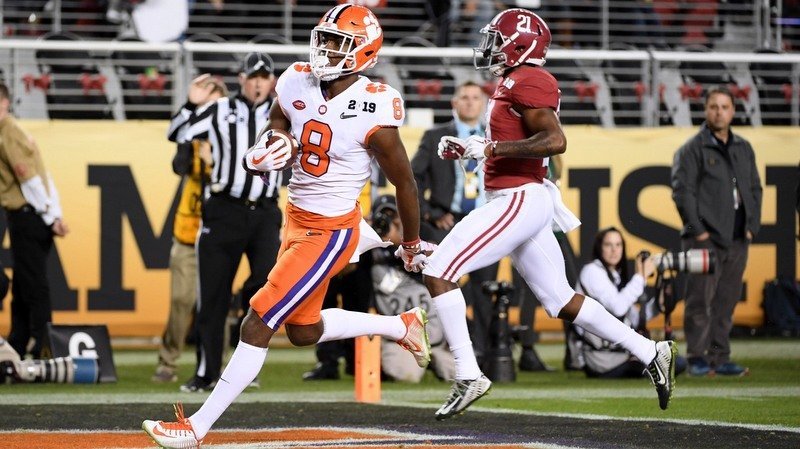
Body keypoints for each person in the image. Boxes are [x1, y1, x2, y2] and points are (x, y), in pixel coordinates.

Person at [143, 5, 431, 447]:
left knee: (257, 322)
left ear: (364, 52)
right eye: (325, 38)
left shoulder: (374, 105)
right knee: (303, 330)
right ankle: (401, 325)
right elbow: (279, 117)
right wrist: (275, 143)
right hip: (295, 219)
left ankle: (195, 428)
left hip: (331, 230)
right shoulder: (296, 78)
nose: (326, 48)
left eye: (338, 42)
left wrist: (410, 243)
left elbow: (405, 183)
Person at [421, 8, 677, 420]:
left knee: (439, 271)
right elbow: (511, 139)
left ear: (520, 45)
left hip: (518, 199)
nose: (490, 47)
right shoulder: (512, 80)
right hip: (521, 198)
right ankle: (650, 350)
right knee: (561, 300)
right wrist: (472, 148)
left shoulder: (530, 79)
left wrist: (490, 148)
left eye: (497, 40)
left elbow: (555, 140)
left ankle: (468, 374)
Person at [169, 53, 285, 393]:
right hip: (224, 210)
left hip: (265, 212)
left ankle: (245, 366)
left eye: (264, 77)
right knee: (212, 295)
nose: (259, 83)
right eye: (253, 77)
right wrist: (191, 105)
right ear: (242, 79)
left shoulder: (285, 111)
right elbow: (176, 133)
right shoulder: (220, 109)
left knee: (265, 287)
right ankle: (206, 373)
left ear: (272, 81)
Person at [671, 87, 762, 377]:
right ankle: (697, 357)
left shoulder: (743, 147)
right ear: (705, 110)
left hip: (737, 238)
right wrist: (699, 233)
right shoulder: (691, 148)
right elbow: (682, 193)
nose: (719, 112)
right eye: (713, 106)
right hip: (704, 239)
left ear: (733, 111)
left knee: (726, 301)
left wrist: (751, 227)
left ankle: (720, 357)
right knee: (700, 300)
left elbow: (755, 188)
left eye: (724, 107)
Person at [152, 76, 228, 383]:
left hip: (219, 232)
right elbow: (179, 165)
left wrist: (214, 162)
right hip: (188, 230)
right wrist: (190, 105)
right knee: (181, 301)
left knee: (217, 302)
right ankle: (168, 361)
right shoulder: (192, 136)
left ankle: (219, 365)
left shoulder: (234, 138)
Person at [0, 81, 69, 359]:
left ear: (4, 103)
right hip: (31, 215)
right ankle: (18, 343)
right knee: (23, 284)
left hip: (29, 216)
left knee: (33, 285)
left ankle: (43, 346)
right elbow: (43, 175)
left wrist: (51, 216)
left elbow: (29, 179)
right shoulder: (12, 131)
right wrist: (54, 213)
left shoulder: (9, 134)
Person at [570, 227, 688, 378]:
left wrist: (659, 304)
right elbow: (618, 308)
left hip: (616, 355)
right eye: (608, 245)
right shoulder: (592, 271)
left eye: (618, 245)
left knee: (675, 361)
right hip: (601, 360)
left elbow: (635, 318)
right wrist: (641, 276)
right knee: (673, 363)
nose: (614, 250)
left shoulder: (613, 276)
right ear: (599, 248)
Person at [370, 194, 455, 383]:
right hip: (401, 341)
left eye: (394, 216)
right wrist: (368, 237)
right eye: (383, 217)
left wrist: (403, 244)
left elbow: (441, 266)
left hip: (436, 334)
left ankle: (438, 357)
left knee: (460, 374)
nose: (389, 222)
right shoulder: (369, 246)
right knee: (406, 376)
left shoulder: (422, 232)